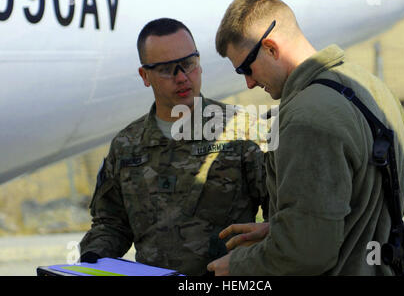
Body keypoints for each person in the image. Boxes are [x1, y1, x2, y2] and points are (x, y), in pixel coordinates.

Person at [207, 0, 404, 275]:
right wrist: (287, 226)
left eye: (246, 67)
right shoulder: (373, 88)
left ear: (270, 47)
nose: (249, 83)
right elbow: (390, 197)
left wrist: (239, 266)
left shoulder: (305, 119)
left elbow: (308, 253)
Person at [79, 18, 269, 276]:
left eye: (188, 64)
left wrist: (249, 262)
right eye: (167, 69)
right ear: (145, 76)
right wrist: (92, 259)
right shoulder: (127, 144)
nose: (182, 77)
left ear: (199, 63)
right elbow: (111, 224)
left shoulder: (243, 131)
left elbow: (282, 220)